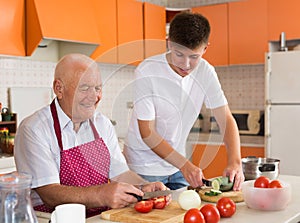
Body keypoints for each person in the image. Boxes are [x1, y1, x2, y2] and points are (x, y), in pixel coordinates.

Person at [14, 53, 169, 217]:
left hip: (99, 218)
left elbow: (120, 173)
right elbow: (50, 194)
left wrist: (143, 186)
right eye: (84, 88)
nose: (94, 96)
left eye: (97, 88)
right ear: (59, 89)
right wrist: (101, 194)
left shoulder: (102, 124)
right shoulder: (34, 129)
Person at [123, 12, 245, 190]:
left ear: (205, 49)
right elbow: (147, 132)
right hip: (144, 166)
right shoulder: (147, 71)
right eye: (179, 54)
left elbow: (225, 119)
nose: (186, 65)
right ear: (168, 43)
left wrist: (235, 162)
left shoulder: (206, 72)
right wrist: (185, 165)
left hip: (178, 164)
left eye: (194, 57)